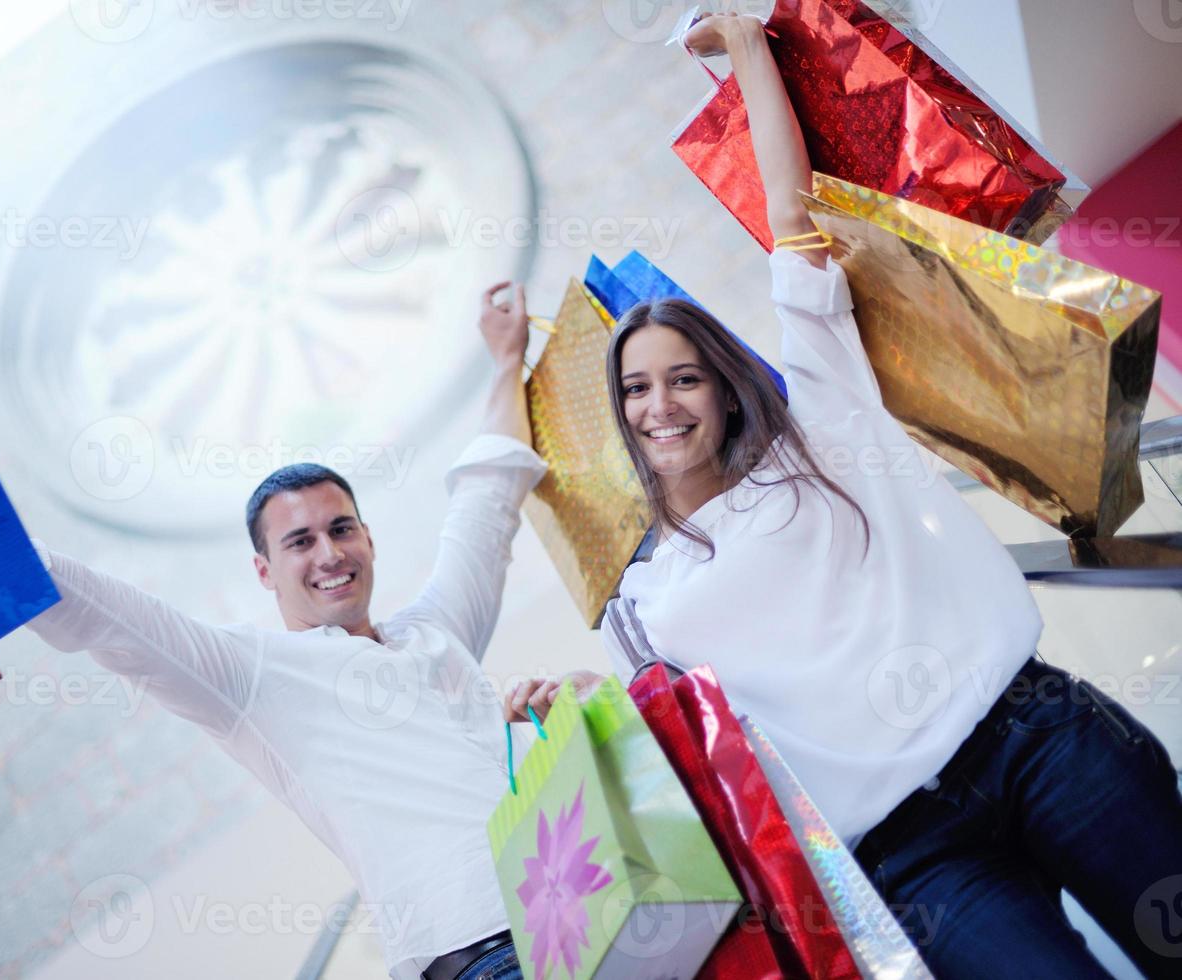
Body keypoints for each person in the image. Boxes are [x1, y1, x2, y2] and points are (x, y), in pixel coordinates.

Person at [505, 11, 1182, 977]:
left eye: (683, 375)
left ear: (725, 384)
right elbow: (677, 735)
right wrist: (577, 697)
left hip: (1036, 737)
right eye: (634, 388)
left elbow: (793, 222)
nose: (660, 404)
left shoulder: (819, 428)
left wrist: (746, 46)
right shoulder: (647, 601)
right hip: (914, 856)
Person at [29, 281, 544, 980]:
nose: (329, 555)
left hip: (593, 901)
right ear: (265, 571)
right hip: (487, 956)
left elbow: (488, 497)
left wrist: (505, 360)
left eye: (340, 530)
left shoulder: (437, 629)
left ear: (368, 537)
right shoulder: (252, 676)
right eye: (299, 542)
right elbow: (106, 613)